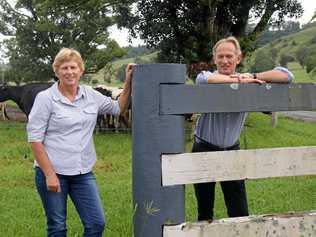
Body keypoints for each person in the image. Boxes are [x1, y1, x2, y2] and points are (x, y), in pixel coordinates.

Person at [27, 48, 134, 236]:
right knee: (57, 227)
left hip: (82, 173)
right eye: (64, 68)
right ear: (57, 71)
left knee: (96, 223)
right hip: (53, 172)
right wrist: (49, 175)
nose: (69, 72)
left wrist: (128, 81)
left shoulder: (90, 95)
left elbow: (118, 108)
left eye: (73, 67)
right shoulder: (45, 99)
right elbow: (35, 139)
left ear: (81, 70)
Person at [192, 36, 294, 221]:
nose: (224, 60)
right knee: (205, 210)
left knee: (239, 211)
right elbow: (202, 79)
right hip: (204, 149)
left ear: (238, 59)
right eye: (220, 56)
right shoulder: (207, 77)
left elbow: (287, 75)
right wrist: (238, 81)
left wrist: (253, 77)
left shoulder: (248, 81)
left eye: (229, 56)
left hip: (232, 150)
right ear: (214, 59)